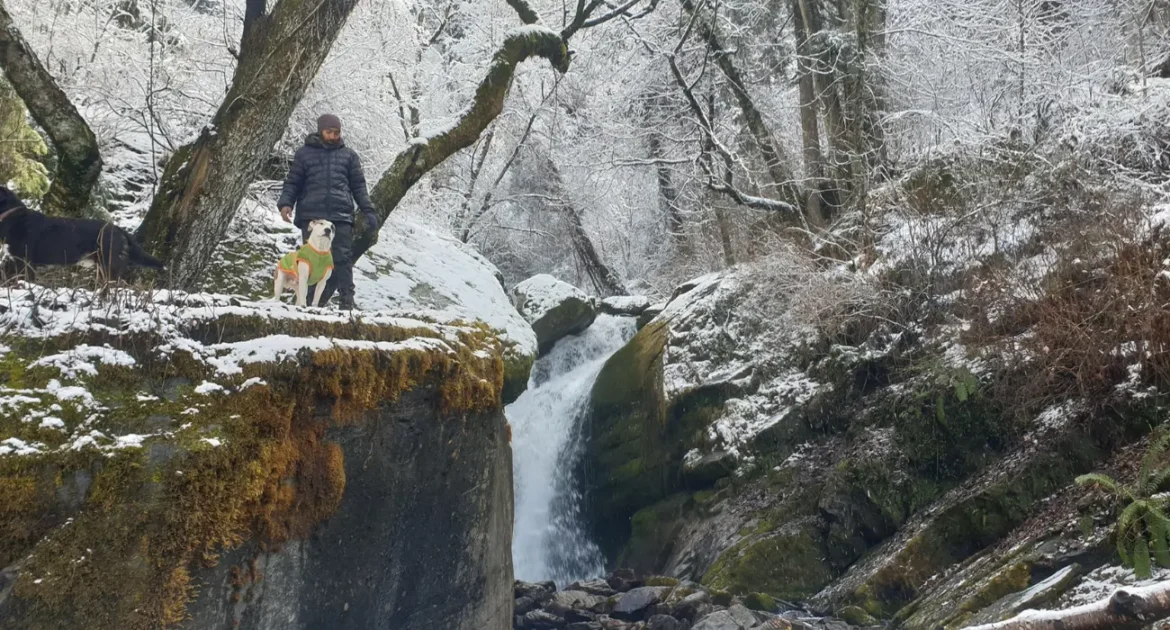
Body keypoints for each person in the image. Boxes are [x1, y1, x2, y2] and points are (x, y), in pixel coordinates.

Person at [278, 113, 377, 310]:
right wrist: (286, 203)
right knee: (311, 260)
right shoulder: (304, 154)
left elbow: (359, 186)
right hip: (312, 215)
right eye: (329, 132)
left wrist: (368, 210)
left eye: (336, 132)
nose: (333, 136)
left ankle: (347, 301)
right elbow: (293, 181)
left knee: (342, 257)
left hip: (340, 215)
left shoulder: (349, 156)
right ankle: (308, 303)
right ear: (320, 130)